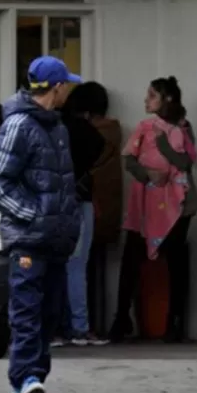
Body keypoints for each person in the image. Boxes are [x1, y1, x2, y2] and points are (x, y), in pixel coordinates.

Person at [0, 55, 84, 393]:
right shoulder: (19, 126)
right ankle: (24, 378)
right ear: (56, 88)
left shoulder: (57, 128)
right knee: (26, 310)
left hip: (54, 240)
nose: (69, 90)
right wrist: (33, 215)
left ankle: (32, 380)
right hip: (29, 239)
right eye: (67, 84)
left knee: (48, 312)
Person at [111, 76, 197, 343]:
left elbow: (186, 162)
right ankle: (121, 318)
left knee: (175, 262)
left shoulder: (182, 128)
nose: (146, 100)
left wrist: (164, 147)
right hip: (145, 203)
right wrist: (147, 174)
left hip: (177, 204)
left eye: (152, 96)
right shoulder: (144, 127)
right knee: (131, 257)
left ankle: (175, 321)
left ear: (167, 99)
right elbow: (128, 158)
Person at [68, 81, 124, 338]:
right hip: (90, 203)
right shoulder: (110, 133)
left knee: (70, 266)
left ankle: (72, 326)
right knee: (80, 266)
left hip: (69, 203)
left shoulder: (64, 128)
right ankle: (81, 326)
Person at [55, 83, 107, 347]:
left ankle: (58, 326)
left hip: (54, 201)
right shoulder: (84, 132)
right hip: (79, 198)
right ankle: (79, 326)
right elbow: (100, 145)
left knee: (56, 265)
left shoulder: (53, 128)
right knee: (77, 265)